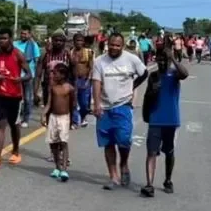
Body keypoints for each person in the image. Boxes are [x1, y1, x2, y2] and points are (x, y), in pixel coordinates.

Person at [92, 33, 149, 190]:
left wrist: (133, 86)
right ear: (107, 44)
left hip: (123, 105)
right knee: (108, 142)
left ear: (122, 46)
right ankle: (113, 177)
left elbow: (144, 73)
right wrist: (96, 104)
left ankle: (124, 164)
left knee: (124, 139)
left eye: (118, 45)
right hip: (104, 106)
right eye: (112, 45)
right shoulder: (99, 61)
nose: (114, 48)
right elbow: (96, 83)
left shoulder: (131, 59)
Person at [141, 44, 188, 198]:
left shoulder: (175, 74)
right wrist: (150, 98)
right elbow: (147, 96)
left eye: (165, 60)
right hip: (155, 119)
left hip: (172, 120)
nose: (162, 63)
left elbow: (185, 73)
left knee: (169, 152)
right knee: (151, 152)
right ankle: (149, 185)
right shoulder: (153, 76)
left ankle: (168, 180)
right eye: (159, 60)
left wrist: (173, 57)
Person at [0, 28, 32, 169]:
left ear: (11, 39)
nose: (2, 41)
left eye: (5, 38)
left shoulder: (18, 54)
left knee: (14, 125)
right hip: (0, 95)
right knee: (0, 125)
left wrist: (20, 79)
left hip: (15, 96)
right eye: (0, 39)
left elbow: (29, 74)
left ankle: (16, 151)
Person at [42, 63, 76, 181]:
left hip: (64, 118)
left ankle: (64, 169)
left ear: (63, 75)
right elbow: (49, 103)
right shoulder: (53, 88)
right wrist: (43, 115)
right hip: (53, 117)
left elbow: (72, 105)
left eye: (55, 73)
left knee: (63, 142)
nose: (53, 75)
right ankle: (57, 167)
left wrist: (71, 120)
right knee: (53, 143)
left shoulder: (69, 88)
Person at [14, 26, 42, 128]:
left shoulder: (33, 45)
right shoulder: (15, 44)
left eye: (25, 33)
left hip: (28, 76)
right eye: (22, 33)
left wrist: (37, 78)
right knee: (16, 98)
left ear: (29, 34)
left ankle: (26, 119)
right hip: (16, 75)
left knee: (27, 98)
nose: (23, 35)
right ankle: (16, 117)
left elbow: (37, 61)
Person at [35, 30, 70, 109]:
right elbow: (38, 75)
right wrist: (35, 92)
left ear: (64, 42)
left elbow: (74, 75)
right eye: (56, 40)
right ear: (52, 41)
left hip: (64, 90)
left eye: (61, 40)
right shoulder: (45, 55)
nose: (58, 42)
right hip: (48, 89)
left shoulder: (68, 55)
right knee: (48, 113)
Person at [70, 33, 94, 128]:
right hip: (73, 80)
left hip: (84, 80)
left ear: (83, 42)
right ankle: (76, 121)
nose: (79, 42)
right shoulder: (70, 52)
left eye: (81, 40)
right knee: (74, 102)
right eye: (77, 40)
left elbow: (91, 67)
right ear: (74, 42)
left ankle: (82, 116)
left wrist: (89, 80)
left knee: (84, 104)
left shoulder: (88, 52)